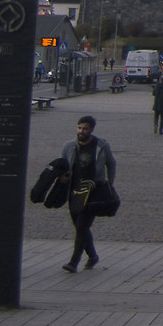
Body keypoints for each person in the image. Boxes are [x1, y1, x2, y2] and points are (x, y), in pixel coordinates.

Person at [61, 115, 117, 272]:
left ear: (91, 130)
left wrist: (110, 183)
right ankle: (92, 256)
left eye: (85, 128)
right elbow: (63, 165)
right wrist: (62, 178)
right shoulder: (69, 146)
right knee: (80, 227)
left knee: (81, 226)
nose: (81, 131)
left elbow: (111, 163)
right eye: (79, 128)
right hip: (74, 193)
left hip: (93, 192)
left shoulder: (101, 146)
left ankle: (73, 262)